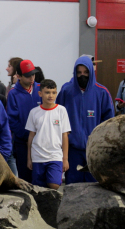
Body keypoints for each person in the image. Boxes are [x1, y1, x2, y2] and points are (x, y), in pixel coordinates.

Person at [56, 56, 114, 184]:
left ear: (91, 72)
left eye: (86, 72)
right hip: (72, 149)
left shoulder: (102, 92)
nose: (82, 76)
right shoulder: (67, 90)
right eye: (79, 73)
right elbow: (57, 116)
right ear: (75, 73)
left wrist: (102, 143)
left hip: (93, 149)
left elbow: (109, 121)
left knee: (93, 185)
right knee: (72, 186)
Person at [26, 79, 71, 189]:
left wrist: (65, 159)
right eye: (47, 92)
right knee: (38, 189)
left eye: (53, 92)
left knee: (54, 185)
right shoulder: (34, 112)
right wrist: (29, 158)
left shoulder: (62, 111)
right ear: (40, 94)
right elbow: (31, 137)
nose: (50, 95)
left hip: (55, 156)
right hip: (38, 157)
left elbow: (65, 136)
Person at [7, 60, 41, 183]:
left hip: (41, 142)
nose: (32, 78)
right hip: (22, 143)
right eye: (27, 75)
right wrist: (27, 136)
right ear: (19, 76)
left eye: (33, 74)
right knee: (25, 177)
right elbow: (12, 120)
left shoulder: (40, 89)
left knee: (41, 177)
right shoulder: (13, 94)